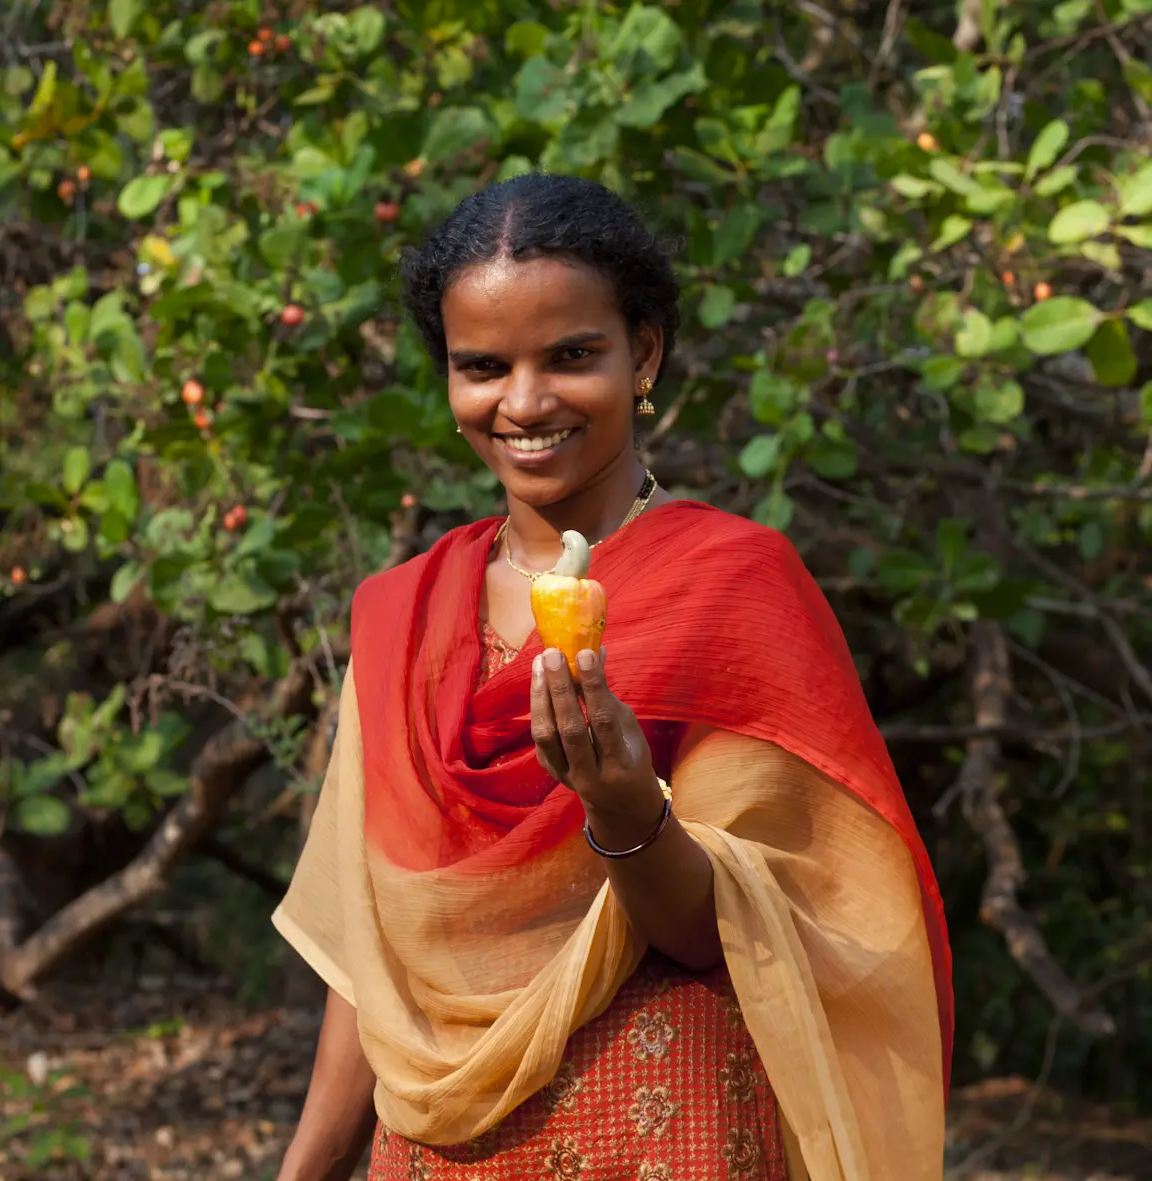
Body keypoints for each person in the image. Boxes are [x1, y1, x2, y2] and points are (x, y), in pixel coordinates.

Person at [273, 174, 952, 1181]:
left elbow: (714, 933)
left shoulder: (730, 588)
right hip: (432, 1144)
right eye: (481, 366)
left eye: (571, 356)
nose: (523, 401)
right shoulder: (401, 614)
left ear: (644, 351)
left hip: (662, 1131)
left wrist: (621, 801)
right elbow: (376, 960)